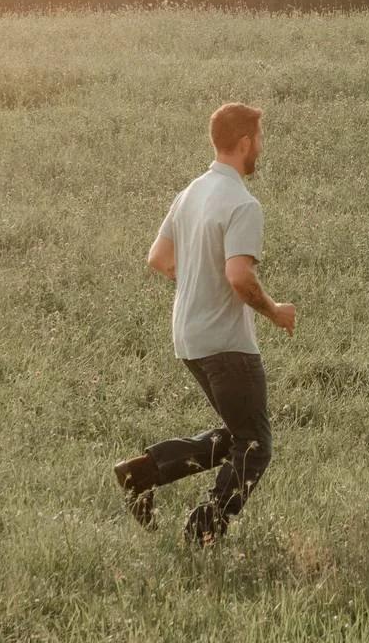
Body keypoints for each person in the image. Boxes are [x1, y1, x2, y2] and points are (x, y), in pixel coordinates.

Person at [112, 102, 297, 545]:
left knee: (238, 435)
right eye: (260, 140)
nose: (261, 150)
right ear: (246, 142)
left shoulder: (192, 191)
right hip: (227, 343)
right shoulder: (242, 203)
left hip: (189, 336)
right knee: (255, 447)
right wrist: (274, 311)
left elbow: (158, 258)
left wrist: (196, 280)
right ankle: (205, 527)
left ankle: (142, 472)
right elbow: (238, 276)